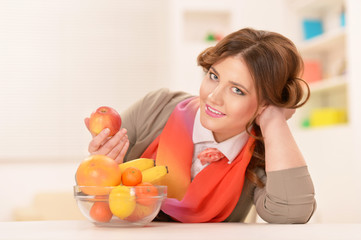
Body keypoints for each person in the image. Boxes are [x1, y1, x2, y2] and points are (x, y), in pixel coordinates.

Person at [84, 28, 316, 224]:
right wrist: (102, 168)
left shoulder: (264, 152)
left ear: (265, 103)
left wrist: (273, 119)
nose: (214, 97)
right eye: (214, 76)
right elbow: (91, 195)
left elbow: (292, 213)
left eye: (238, 90)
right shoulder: (157, 106)